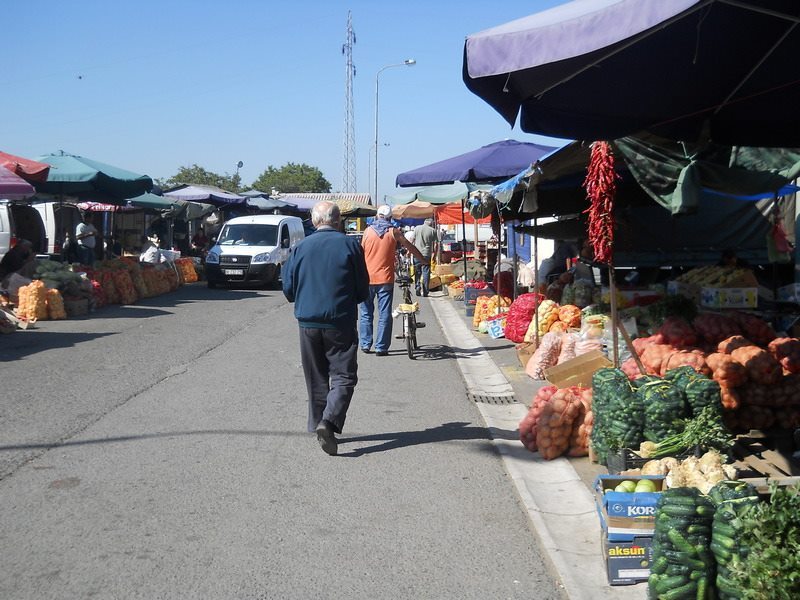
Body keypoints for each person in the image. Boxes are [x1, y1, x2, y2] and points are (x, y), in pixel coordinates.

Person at [282, 201, 369, 456]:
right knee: (344, 375)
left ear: (314, 220)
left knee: (316, 376)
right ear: (338, 220)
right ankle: (328, 422)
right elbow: (362, 287)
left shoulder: (300, 248)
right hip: (339, 320)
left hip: (308, 322)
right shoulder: (350, 245)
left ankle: (319, 423)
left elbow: (288, 289)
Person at [359, 205, 424, 356]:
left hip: (367, 278)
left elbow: (360, 253)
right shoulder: (394, 231)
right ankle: (381, 347)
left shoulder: (367, 232)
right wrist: (422, 260)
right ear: (389, 218)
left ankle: (365, 344)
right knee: (384, 313)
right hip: (385, 279)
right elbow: (410, 247)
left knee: (365, 313)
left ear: (377, 216)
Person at [412, 217, 438, 297]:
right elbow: (436, 244)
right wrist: (435, 254)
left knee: (417, 271)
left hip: (417, 253)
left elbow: (412, 240)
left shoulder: (416, 228)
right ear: (431, 223)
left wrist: (410, 251)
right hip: (426, 254)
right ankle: (425, 291)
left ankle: (417, 286)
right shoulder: (433, 231)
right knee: (426, 272)